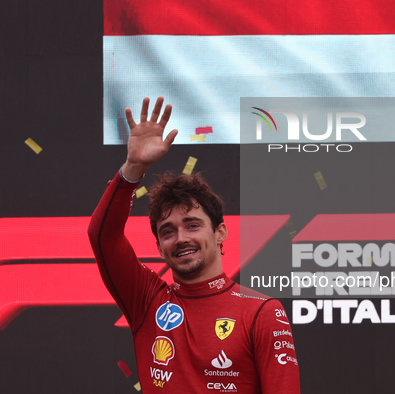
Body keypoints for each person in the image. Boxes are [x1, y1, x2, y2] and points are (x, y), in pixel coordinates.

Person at [88, 97, 300, 393]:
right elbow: (103, 237)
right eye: (168, 231)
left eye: (192, 225)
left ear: (220, 233)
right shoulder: (147, 300)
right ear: (160, 248)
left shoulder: (262, 312)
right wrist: (133, 168)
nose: (181, 238)